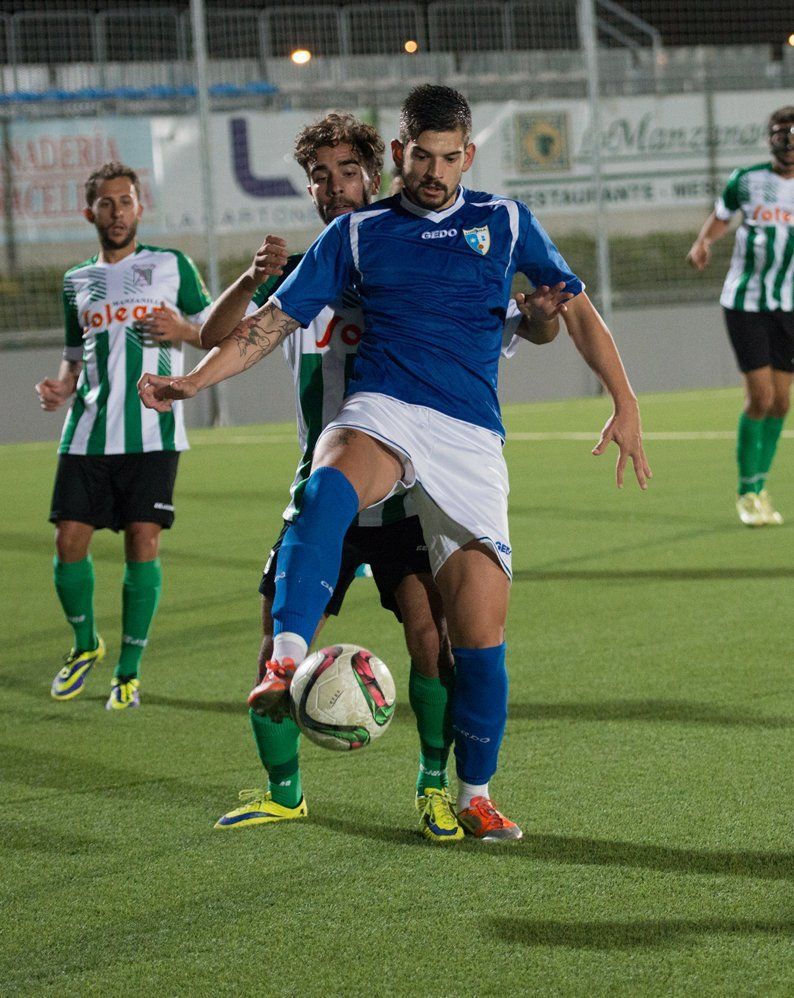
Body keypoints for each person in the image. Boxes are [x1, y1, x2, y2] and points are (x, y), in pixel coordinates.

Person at [139, 85, 649, 842]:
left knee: (474, 640)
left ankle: (471, 793)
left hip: (470, 438)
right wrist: (191, 380)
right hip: (384, 410)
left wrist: (624, 398)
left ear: (467, 155)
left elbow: (564, 310)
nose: (435, 171)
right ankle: (284, 667)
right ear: (400, 152)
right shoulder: (357, 235)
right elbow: (268, 325)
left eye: (449, 158)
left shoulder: (504, 221)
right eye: (421, 156)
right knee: (325, 485)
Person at [199, 112, 564, 839]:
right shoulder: (316, 269)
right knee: (275, 639)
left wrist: (542, 316)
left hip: (407, 494)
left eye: (347, 173)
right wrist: (248, 282)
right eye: (319, 178)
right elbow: (218, 337)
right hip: (328, 485)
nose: (334, 188)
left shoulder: (414, 262)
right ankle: (283, 790)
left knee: (434, 638)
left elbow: (522, 326)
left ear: (378, 172)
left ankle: (439, 788)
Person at [36, 161, 211, 711]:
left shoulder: (171, 265)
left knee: (144, 542)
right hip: (86, 431)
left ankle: (128, 670)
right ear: (90, 212)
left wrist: (181, 330)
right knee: (68, 544)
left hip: (153, 430)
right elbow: (74, 353)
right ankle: (85, 644)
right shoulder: (76, 280)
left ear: (141, 206)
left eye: (126, 201)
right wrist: (62, 388)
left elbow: (212, 329)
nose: (116, 212)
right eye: (106, 204)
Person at [687, 106, 794, 527]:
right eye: (780, 135)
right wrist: (703, 243)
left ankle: (761, 485)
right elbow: (721, 218)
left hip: (790, 306)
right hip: (746, 303)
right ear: (770, 139)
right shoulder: (746, 180)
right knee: (761, 398)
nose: (786, 144)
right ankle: (747, 491)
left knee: (783, 401)